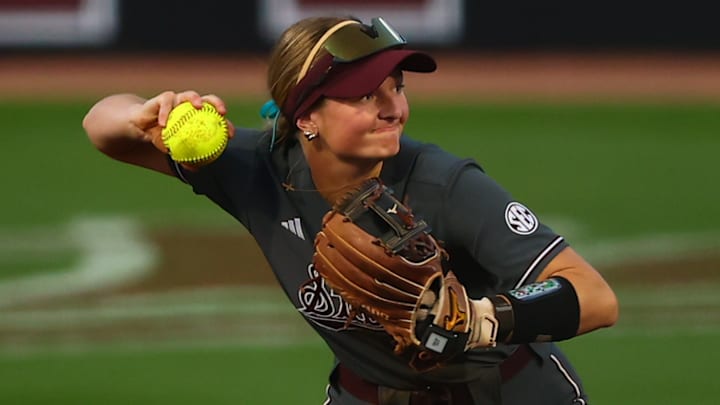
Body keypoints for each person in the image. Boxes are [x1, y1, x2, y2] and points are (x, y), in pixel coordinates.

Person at [83, 15, 618, 405]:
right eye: (364, 95)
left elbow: (594, 296)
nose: (393, 108)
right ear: (306, 114)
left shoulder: (443, 184)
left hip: (506, 394)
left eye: (397, 86)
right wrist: (141, 113)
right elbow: (101, 127)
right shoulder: (255, 169)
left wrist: (482, 317)